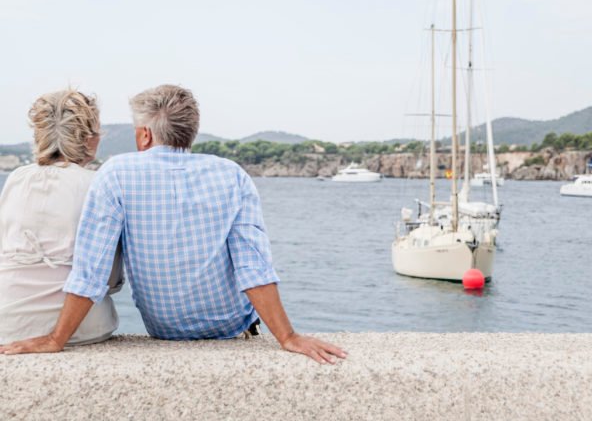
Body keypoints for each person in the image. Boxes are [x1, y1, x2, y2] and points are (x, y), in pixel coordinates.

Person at [0, 85, 346, 364]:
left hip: (163, 330)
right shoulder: (231, 174)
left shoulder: (115, 174)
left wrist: (56, 339)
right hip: (230, 327)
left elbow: (91, 270)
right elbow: (252, 266)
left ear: (144, 136)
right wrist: (287, 336)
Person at [0, 90, 123, 345]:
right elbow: (108, 280)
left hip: (8, 322)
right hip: (81, 326)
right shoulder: (98, 185)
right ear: (89, 140)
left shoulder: (16, 178)